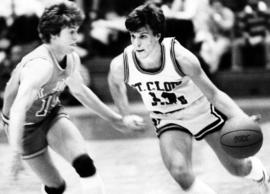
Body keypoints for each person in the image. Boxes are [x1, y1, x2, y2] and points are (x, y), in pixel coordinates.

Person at [108, 3, 269, 194]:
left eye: (143, 36)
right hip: (168, 118)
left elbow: (214, 94)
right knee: (180, 171)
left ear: (158, 36)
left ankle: (261, 174)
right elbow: (115, 84)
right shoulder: (121, 64)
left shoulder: (181, 58)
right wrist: (125, 114)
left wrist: (240, 117)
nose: (136, 43)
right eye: (133, 36)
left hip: (202, 111)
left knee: (238, 169)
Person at [0, 1, 143, 194]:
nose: (77, 37)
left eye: (77, 30)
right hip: (23, 127)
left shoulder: (71, 57)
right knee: (56, 187)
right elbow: (18, 109)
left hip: (51, 115)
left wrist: (117, 120)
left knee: (85, 164)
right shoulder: (40, 66)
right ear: (53, 35)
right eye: (72, 32)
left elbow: (80, 91)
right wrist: (16, 151)